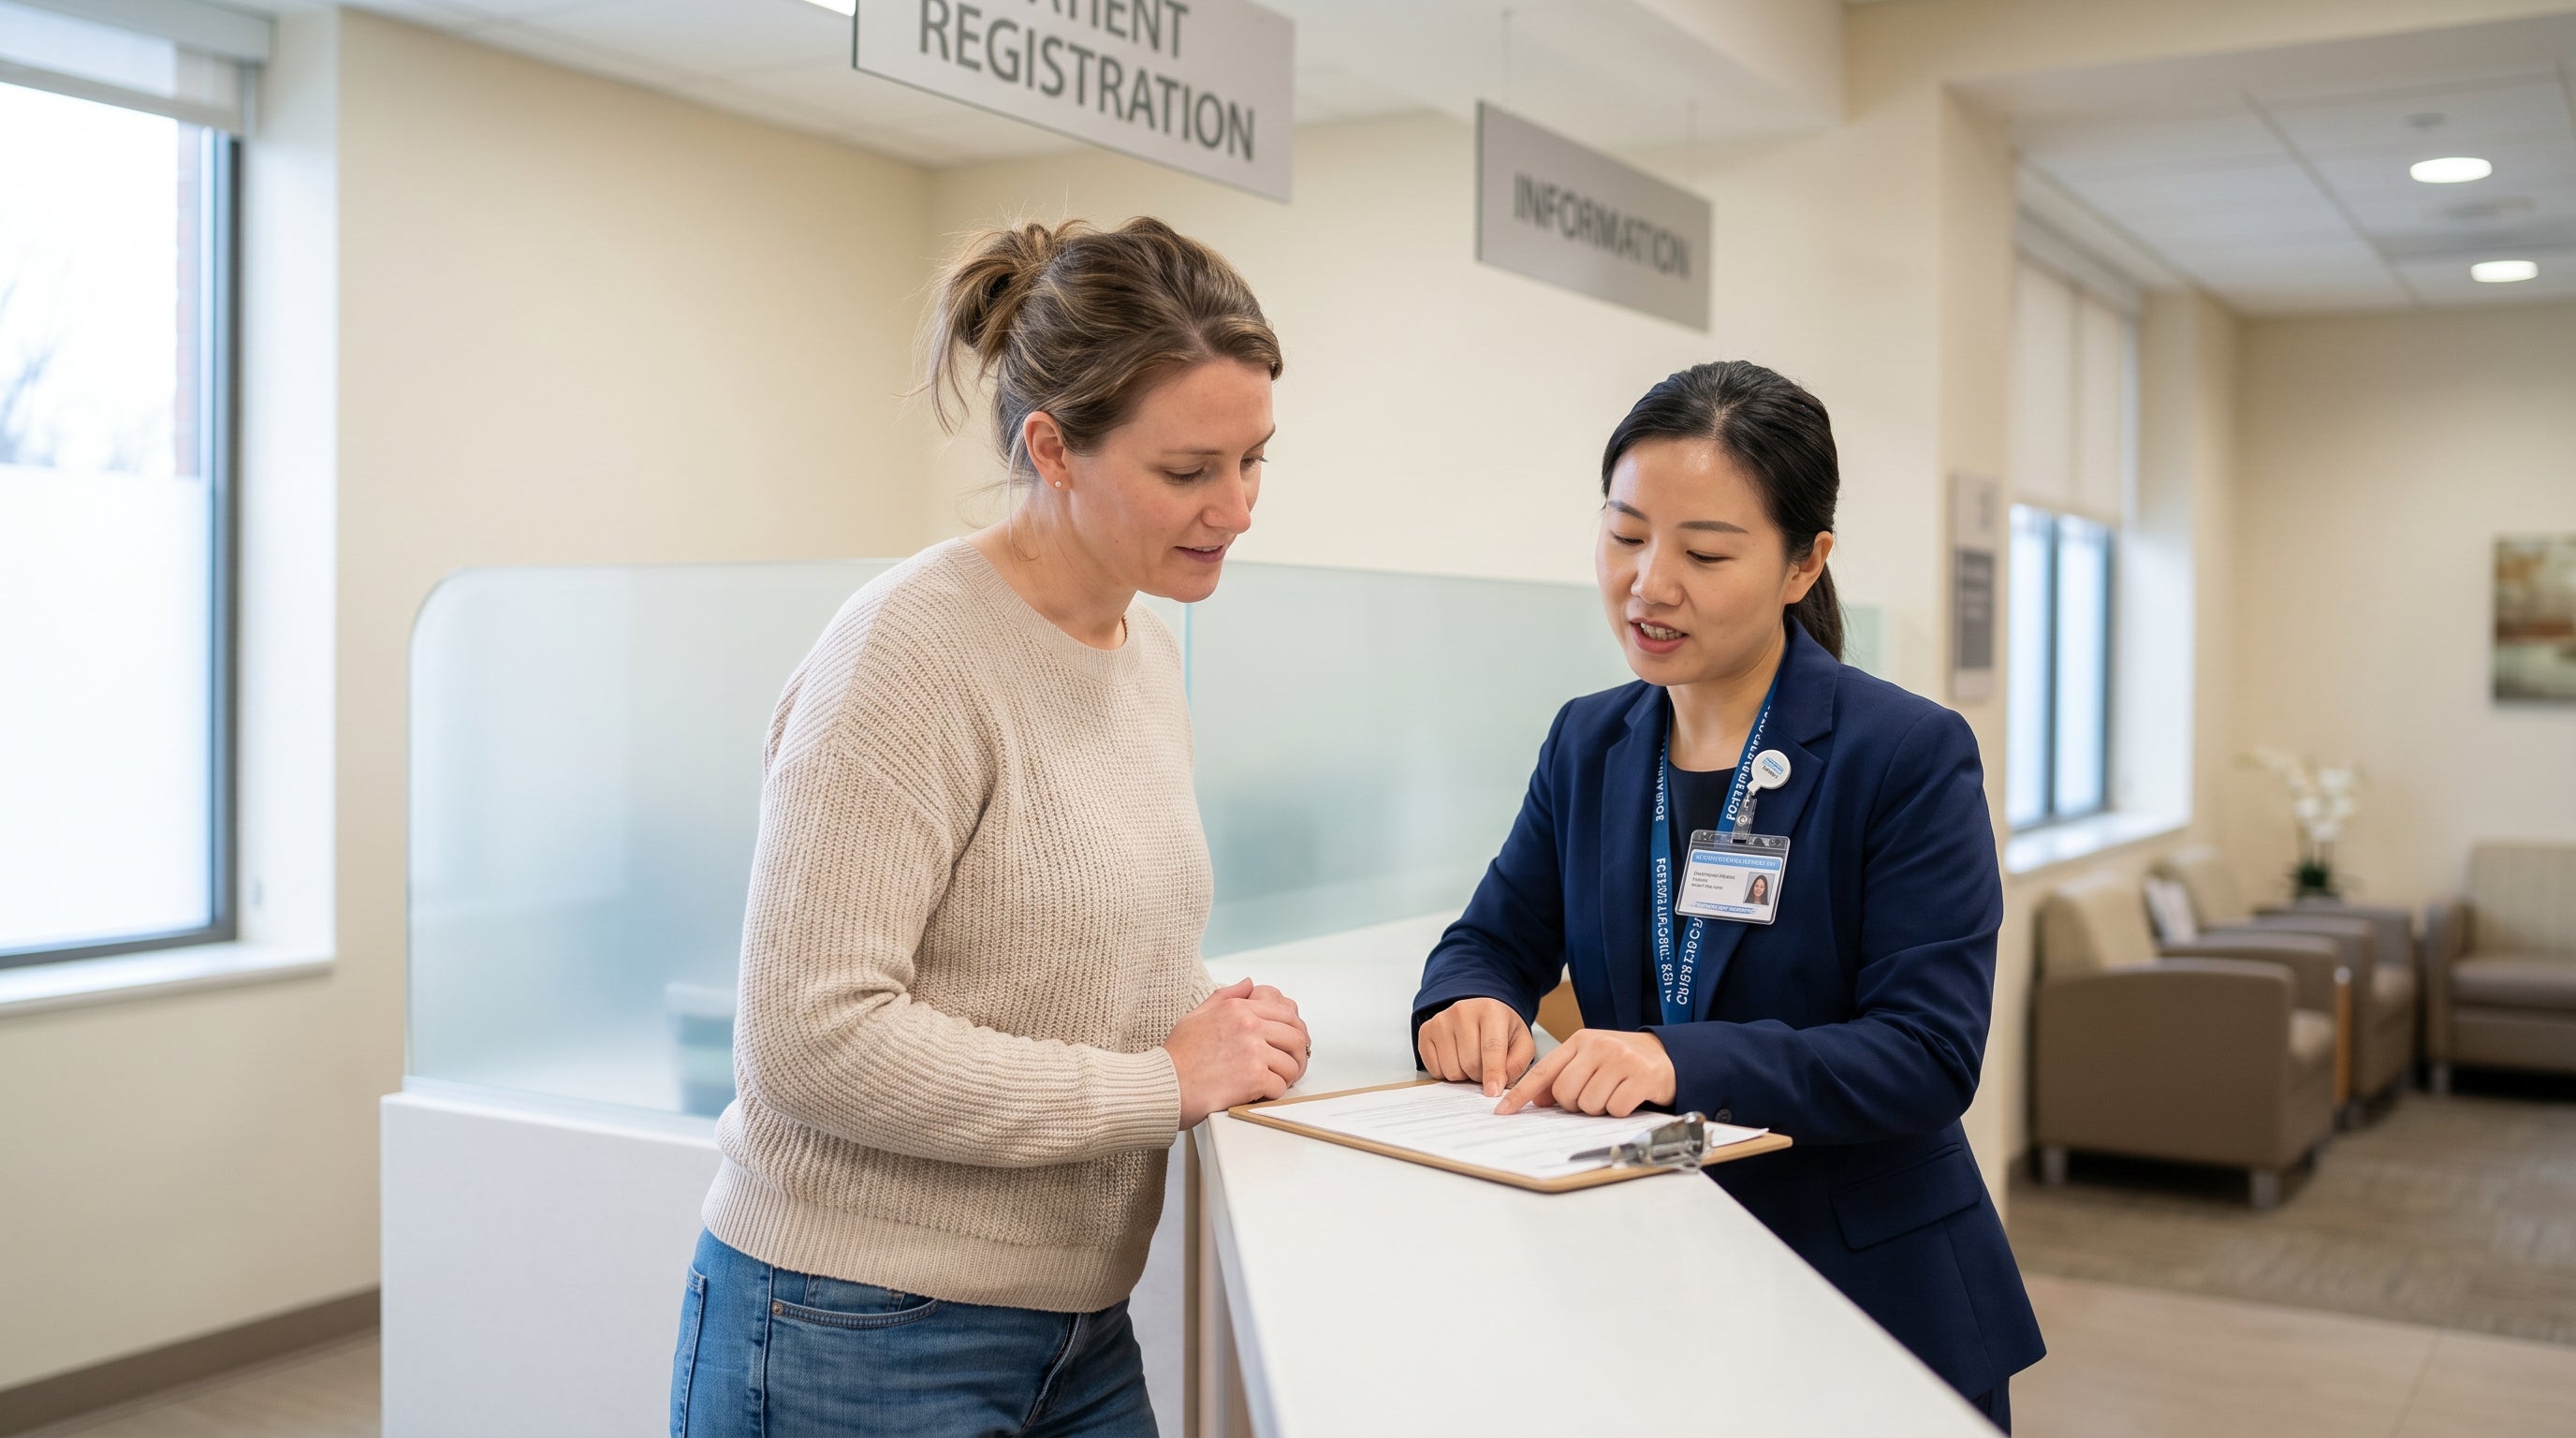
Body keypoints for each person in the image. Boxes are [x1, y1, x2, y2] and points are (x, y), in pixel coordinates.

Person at [670, 217, 1312, 1438]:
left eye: (1255, 460)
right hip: (849, 1324)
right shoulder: (907, 652)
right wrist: (1157, 1084)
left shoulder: (1143, 653)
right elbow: (810, 1040)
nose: (1237, 507)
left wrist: (1218, 1019)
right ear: (1052, 449)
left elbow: (1060, 949)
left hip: (1074, 1330)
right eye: (1189, 472)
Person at [1411, 361, 2042, 1430]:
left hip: (1869, 1300)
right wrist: (1464, 1003)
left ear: (1804, 565)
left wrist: (1671, 1058)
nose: (1649, 584)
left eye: (1704, 553)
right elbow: (1487, 940)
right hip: (1651, 1273)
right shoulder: (1591, 739)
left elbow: (1926, 1056)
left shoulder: (1904, 754)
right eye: (1624, 535)